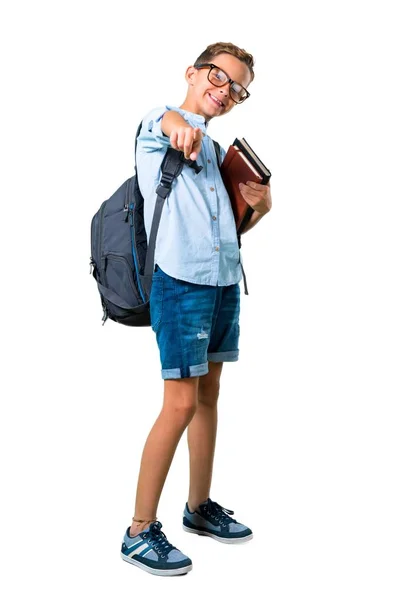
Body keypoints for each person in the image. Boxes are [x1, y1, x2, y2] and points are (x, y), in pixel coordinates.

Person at [120, 42, 272, 577]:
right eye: (217, 76)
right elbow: (159, 121)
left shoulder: (214, 151)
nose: (225, 90)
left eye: (237, 88)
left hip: (223, 282)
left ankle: (199, 508)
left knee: (209, 396)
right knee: (180, 404)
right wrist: (174, 124)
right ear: (192, 71)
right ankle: (139, 531)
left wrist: (256, 209)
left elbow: (225, 228)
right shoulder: (156, 126)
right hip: (179, 284)